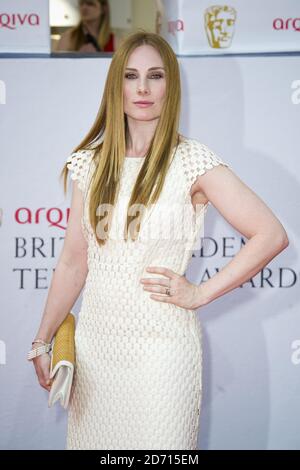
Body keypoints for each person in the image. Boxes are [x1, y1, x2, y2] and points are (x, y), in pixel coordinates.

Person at [28, 30, 289, 450]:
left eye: (156, 75)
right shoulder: (89, 166)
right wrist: (42, 339)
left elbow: (271, 234)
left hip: (163, 352)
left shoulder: (191, 161)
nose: (144, 88)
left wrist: (200, 293)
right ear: (117, 86)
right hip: (96, 351)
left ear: (172, 84)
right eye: (131, 76)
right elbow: (74, 264)